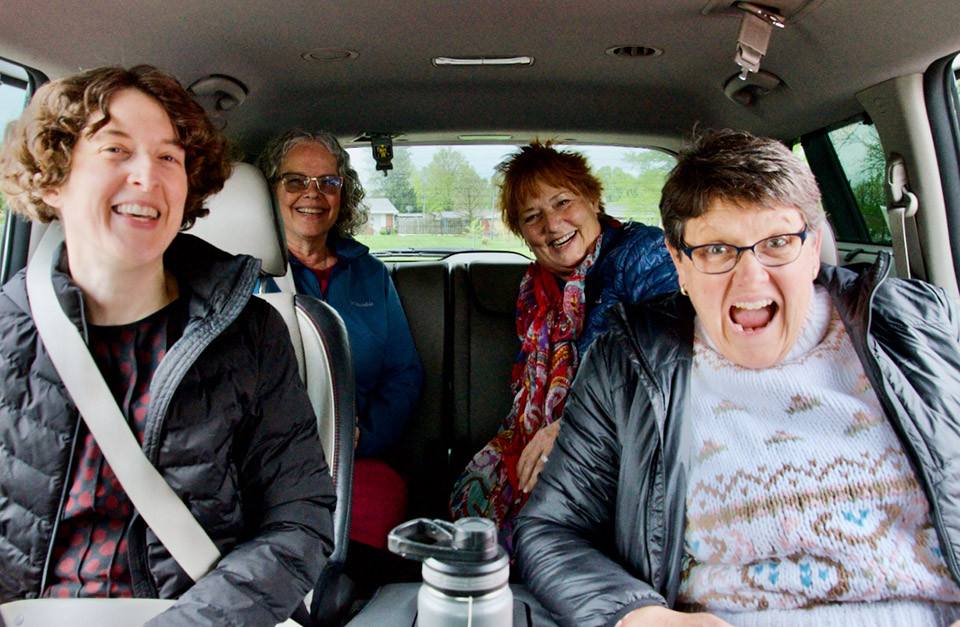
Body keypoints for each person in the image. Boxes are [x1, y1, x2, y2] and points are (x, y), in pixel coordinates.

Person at [514, 128, 960, 627]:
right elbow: (552, 527)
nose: (750, 278)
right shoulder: (627, 360)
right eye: (717, 250)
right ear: (679, 262)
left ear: (812, 247)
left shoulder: (917, 327)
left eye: (777, 242)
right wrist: (644, 618)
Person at [0, 66, 336, 626]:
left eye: (168, 157)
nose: (147, 176)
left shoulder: (251, 335)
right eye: (115, 149)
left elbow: (300, 521)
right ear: (53, 178)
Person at [450, 141, 677, 551]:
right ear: (522, 234)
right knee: (474, 497)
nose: (552, 225)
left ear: (592, 198)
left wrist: (576, 428)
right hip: (554, 442)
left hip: (629, 450)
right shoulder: (533, 292)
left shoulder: (644, 255)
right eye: (532, 217)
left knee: (534, 529)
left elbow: (670, 365)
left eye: (562, 202)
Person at [257, 130, 423, 555]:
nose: (312, 195)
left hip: (357, 462)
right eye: (295, 181)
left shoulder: (370, 275)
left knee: (363, 530)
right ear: (271, 190)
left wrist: (360, 436)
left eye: (328, 183)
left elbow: (404, 375)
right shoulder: (245, 276)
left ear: (341, 194)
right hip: (266, 464)